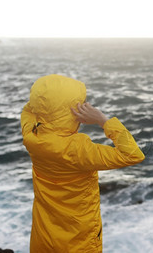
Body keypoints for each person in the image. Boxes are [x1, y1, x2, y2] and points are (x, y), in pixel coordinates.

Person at [20, 74, 145, 252]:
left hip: (44, 234)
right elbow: (133, 155)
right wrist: (103, 120)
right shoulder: (77, 150)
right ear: (70, 110)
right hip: (78, 238)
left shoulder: (31, 135)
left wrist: (45, 99)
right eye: (80, 103)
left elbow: (29, 109)